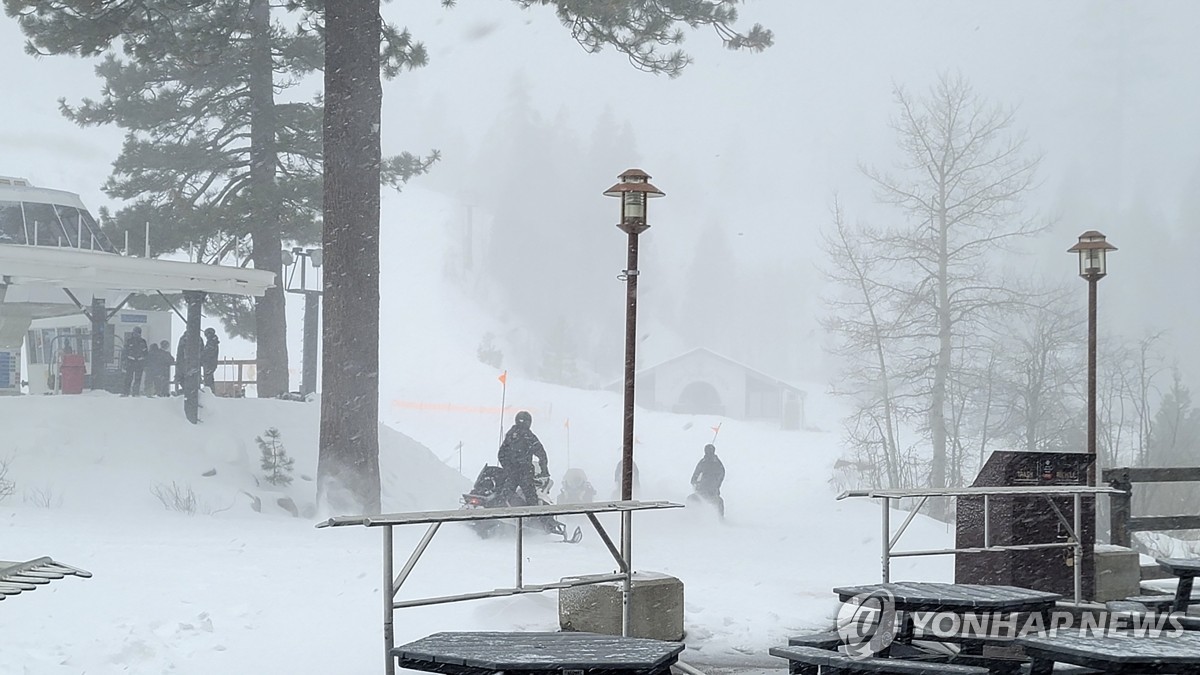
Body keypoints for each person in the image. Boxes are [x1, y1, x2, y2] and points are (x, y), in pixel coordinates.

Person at [497, 410, 549, 507]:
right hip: (525, 472)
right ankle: (533, 518)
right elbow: (542, 454)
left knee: (505, 495)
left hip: (512, 472)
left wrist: (508, 467)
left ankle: (497, 513)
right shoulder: (529, 436)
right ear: (529, 422)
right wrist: (544, 470)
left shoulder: (510, 435)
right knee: (531, 498)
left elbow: (501, 454)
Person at [690, 443, 726, 519]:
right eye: (707, 451)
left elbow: (722, 474)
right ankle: (691, 514)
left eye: (709, 451)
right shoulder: (704, 462)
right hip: (703, 487)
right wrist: (694, 481)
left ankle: (720, 518)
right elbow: (696, 473)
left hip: (712, 489)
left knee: (718, 502)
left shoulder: (715, 463)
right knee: (692, 499)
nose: (708, 453)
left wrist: (717, 484)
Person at [121, 326, 148, 397]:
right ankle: (125, 392)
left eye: (138, 333)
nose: (136, 334)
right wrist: (124, 361)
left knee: (138, 379)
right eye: (135, 333)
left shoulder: (143, 341)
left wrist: (144, 361)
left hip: (139, 363)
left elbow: (146, 353)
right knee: (128, 378)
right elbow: (125, 351)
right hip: (130, 362)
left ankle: (135, 392)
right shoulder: (129, 341)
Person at [201, 327, 220, 392]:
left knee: (208, 379)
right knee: (209, 378)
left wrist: (201, 356)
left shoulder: (212, 342)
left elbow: (208, 353)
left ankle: (210, 392)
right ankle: (210, 391)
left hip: (210, 363)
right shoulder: (213, 341)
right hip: (210, 363)